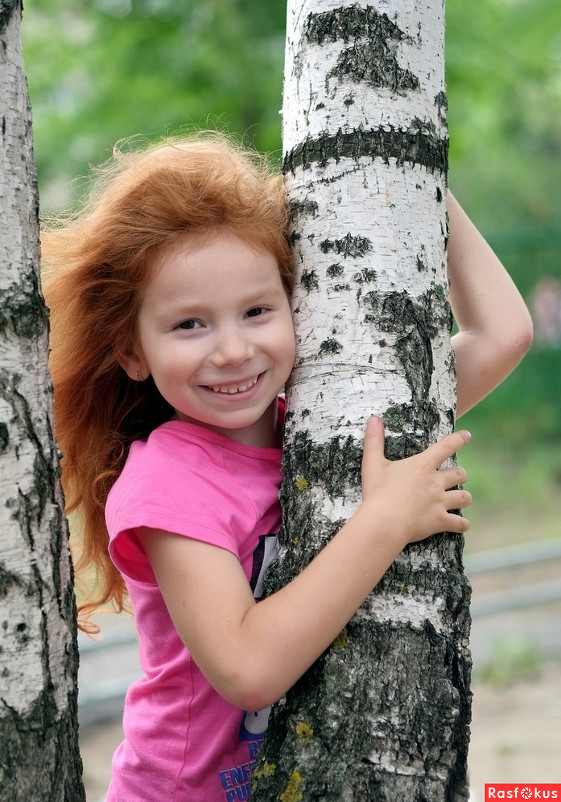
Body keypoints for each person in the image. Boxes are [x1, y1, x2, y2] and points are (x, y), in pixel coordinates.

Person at [41, 133, 532, 802]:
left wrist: (412, 174)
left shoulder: (326, 424)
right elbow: (246, 669)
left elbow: (500, 334)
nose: (232, 350)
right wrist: (383, 520)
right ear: (130, 351)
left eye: (256, 311)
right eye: (190, 325)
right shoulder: (166, 485)